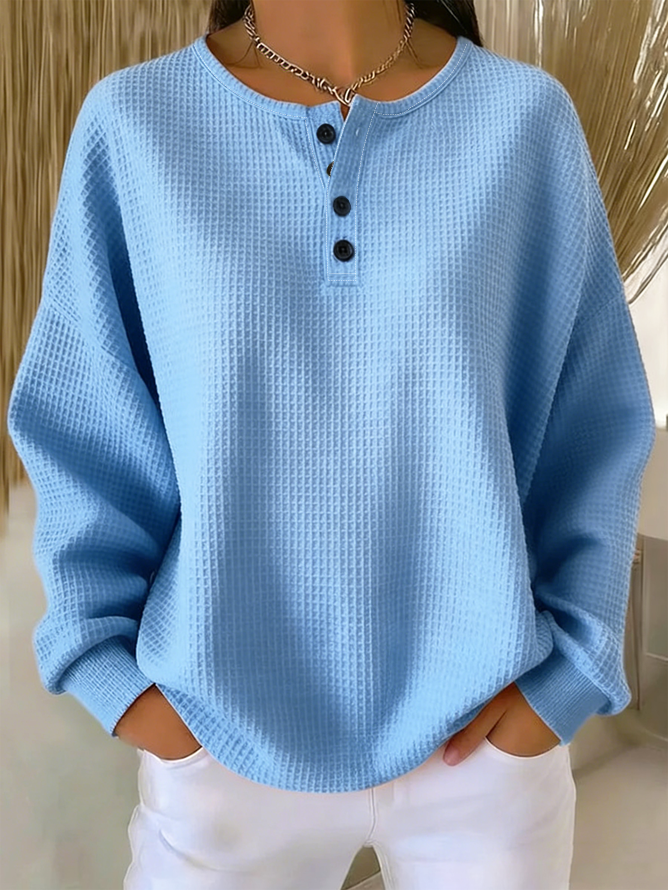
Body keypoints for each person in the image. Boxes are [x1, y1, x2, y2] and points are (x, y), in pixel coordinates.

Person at [6, 1, 656, 888]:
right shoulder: (136, 125)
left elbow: (591, 420)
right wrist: (113, 678)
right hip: (218, 741)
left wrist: (567, 679)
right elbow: (86, 428)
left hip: (484, 751)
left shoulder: (523, 121)